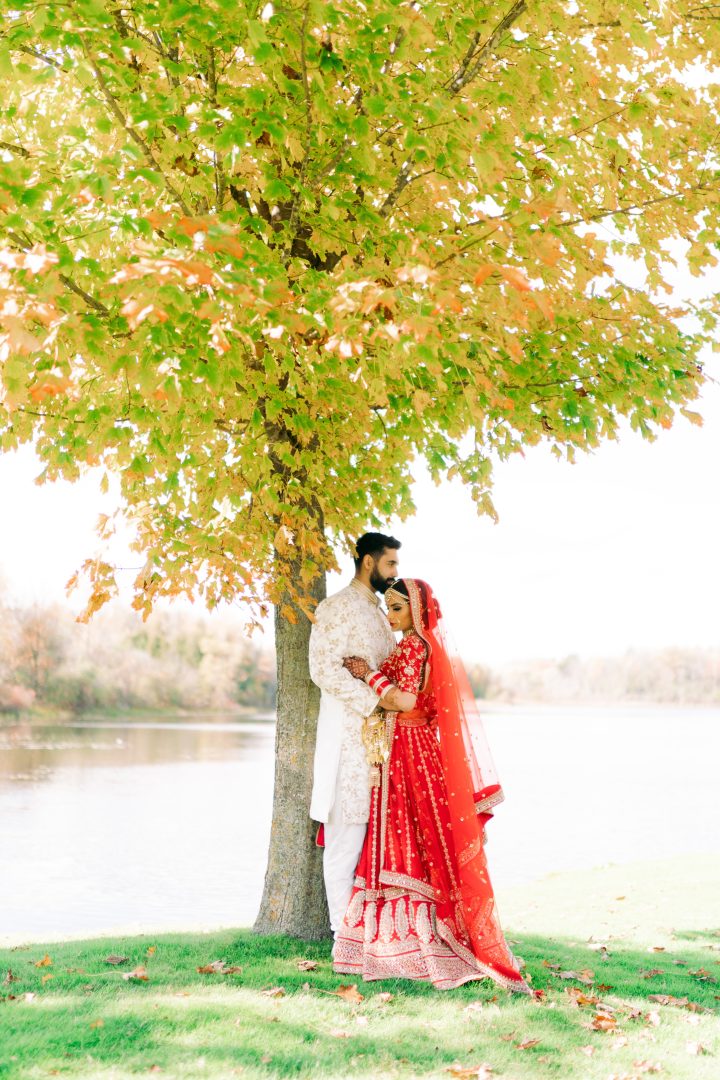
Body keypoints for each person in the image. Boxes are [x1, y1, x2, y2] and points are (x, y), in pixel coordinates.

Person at [334, 577, 531, 994]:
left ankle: (410, 943)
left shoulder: (412, 647)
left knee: (404, 832)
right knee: (421, 836)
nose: (391, 616)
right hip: (414, 746)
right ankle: (422, 934)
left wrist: (365, 673)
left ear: (417, 611)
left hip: (406, 748)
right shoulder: (425, 647)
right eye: (388, 608)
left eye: (398, 609)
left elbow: (404, 701)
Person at [308, 532, 400, 938]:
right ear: (368, 562)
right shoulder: (336, 608)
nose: (396, 571)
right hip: (347, 740)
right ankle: (341, 940)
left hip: (384, 744)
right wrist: (374, 701)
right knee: (345, 841)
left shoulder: (382, 615)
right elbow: (323, 670)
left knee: (374, 843)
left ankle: (370, 938)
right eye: (390, 564)